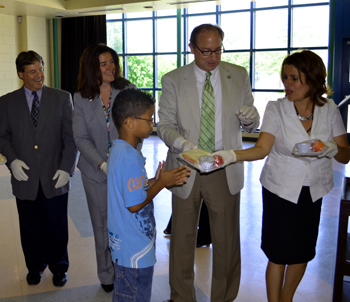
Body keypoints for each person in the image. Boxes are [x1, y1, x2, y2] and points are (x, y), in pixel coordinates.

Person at [214, 50, 350, 302]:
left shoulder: (329, 109)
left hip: (313, 190)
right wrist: (231, 155)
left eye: (294, 78)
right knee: (278, 253)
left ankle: (285, 299)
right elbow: (262, 148)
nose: (287, 84)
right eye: (285, 77)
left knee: (302, 252)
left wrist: (330, 148)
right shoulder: (276, 108)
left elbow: (345, 155)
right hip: (280, 190)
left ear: (313, 79)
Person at [157, 23, 260, 302]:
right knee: (181, 240)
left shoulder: (237, 75)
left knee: (226, 242)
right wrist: (185, 146)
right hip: (184, 167)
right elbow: (164, 125)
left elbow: (250, 120)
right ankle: (181, 296)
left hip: (223, 167)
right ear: (191, 48)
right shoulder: (173, 80)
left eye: (218, 49)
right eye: (206, 51)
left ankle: (223, 298)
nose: (213, 57)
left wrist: (251, 117)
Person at [0, 51, 77, 287]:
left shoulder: (62, 98)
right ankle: (34, 267)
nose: (38, 75)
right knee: (30, 227)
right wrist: (12, 160)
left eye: (41, 69)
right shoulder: (6, 102)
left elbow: (71, 137)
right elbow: (3, 136)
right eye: (32, 71)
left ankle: (59, 268)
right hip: (25, 179)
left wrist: (66, 168)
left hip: (56, 176)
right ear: (21, 74)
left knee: (57, 225)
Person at [107, 88, 190, 302]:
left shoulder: (119, 150)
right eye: (149, 118)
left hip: (125, 246)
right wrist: (162, 183)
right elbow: (134, 204)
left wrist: (158, 179)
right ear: (130, 122)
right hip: (134, 251)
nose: (152, 124)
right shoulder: (130, 159)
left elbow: (133, 189)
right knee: (135, 296)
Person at [72, 44, 137, 293]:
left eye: (112, 62)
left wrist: (122, 163)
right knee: (102, 226)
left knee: (127, 223)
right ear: (92, 69)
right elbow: (80, 138)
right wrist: (102, 164)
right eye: (104, 64)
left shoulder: (128, 90)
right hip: (95, 172)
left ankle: (127, 270)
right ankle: (106, 274)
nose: (111, 67)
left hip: (126, 171)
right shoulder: (81, 98)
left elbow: (138, 130)